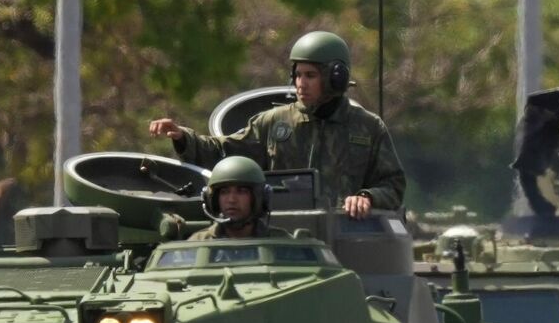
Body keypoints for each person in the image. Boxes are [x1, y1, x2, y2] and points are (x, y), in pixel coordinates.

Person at [147, 31, 405, 219]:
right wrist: (183, 137)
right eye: (297, 75)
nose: (300, 83)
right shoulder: (275, 122)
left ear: (336, 78)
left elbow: (393, 186)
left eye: (310, 76)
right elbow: (222, 153)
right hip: (284, 237)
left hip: (345, 237)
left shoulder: (367, 128)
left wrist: (367, 197)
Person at [188, 157, 290, 241]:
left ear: (260, 198)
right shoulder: (198, 243)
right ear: (214, 200)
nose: (231, 200)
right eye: (224, 192)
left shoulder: (281, 242)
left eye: (242, 191)